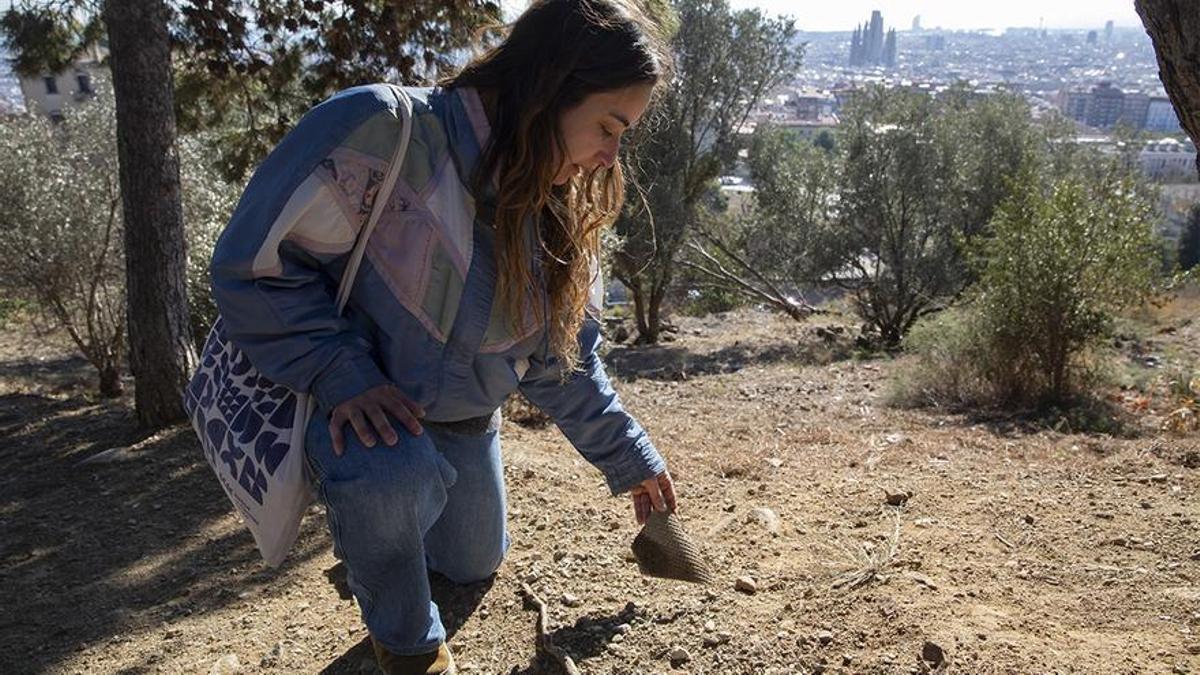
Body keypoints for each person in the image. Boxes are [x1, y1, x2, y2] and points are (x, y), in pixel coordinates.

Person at [209, 0, 677, 672]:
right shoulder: (382, 131)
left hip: (460, 419)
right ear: (547, 88)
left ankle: (384, 541)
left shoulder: (556, 211)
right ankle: (406, 640)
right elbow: (248, 267)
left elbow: (561, 366)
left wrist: (630, 455)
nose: (609, 158)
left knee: (474, 559)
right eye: (607, 127)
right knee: (389, 471)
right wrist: (344, 373)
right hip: (348, 404)